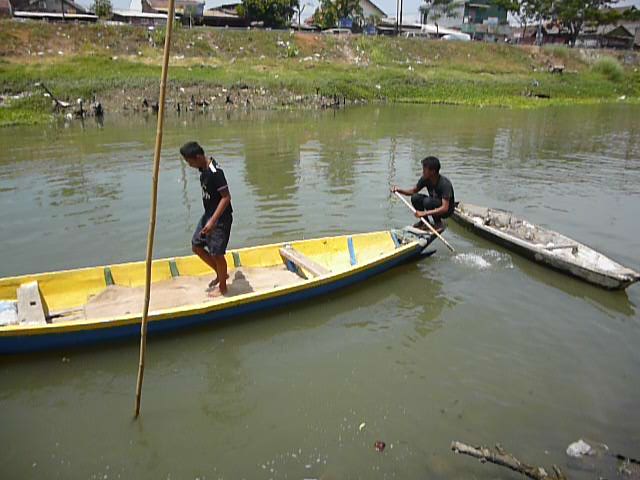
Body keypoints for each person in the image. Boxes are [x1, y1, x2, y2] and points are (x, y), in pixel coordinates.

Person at [180, 141, 233, 297]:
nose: (189, 165)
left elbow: (226, 197)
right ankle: (221, 273)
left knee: (217, 253)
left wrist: (212, 221)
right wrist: (208, 220)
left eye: (190, 162)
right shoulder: (202, 168)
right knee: (196, 246)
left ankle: (223, 287)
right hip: (208, 215)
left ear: (197, 157)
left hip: (220, 218)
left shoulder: (215, 172)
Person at [392, 156, 455, 232]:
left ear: (433, 171)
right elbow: (413, 191)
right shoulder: (425, 179)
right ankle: (424, 222)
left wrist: (424, 213)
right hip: (434, 203)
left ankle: (438, 223)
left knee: (427, 202)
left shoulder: (445, 184)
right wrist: (399, 190)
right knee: (415, 197)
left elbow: (445, 208)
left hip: (446, 211)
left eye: (425, 169)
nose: (423, 171)